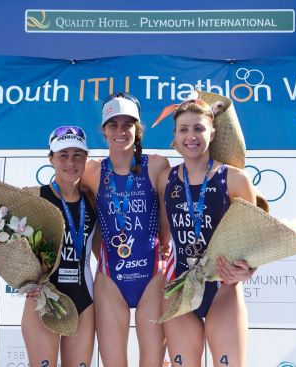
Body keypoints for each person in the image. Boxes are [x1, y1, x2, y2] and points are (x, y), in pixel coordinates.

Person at [155, 96, 257, 367]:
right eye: (183, 129)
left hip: (223, 286)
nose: (191, 136)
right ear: (175, 137)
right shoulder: (166, 179)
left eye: (198, 128)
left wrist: (249, 270)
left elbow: (255, 239)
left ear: (212, 132)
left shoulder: (235, 179)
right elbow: (164, 235)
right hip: (181, 286)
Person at [81, 92, 170, 367]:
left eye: (127, 124)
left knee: (152, 362)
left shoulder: (156, 165)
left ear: (137, 129)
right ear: (104, 131)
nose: (121, 131)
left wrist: (165, 245)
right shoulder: (90, 172)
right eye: (113, 125)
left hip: (152, 276)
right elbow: (69, 204)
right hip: (110, 279)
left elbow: (167, 214)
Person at [21, 126, 98, 367]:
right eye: (63, 155)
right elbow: (2, 243)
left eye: (78, 154)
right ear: (51, 158)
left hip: (83, 300)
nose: (71, 162)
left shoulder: (93, 201)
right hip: (43, 300)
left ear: (86, 158)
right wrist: (22, 280)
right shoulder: (33, 197)